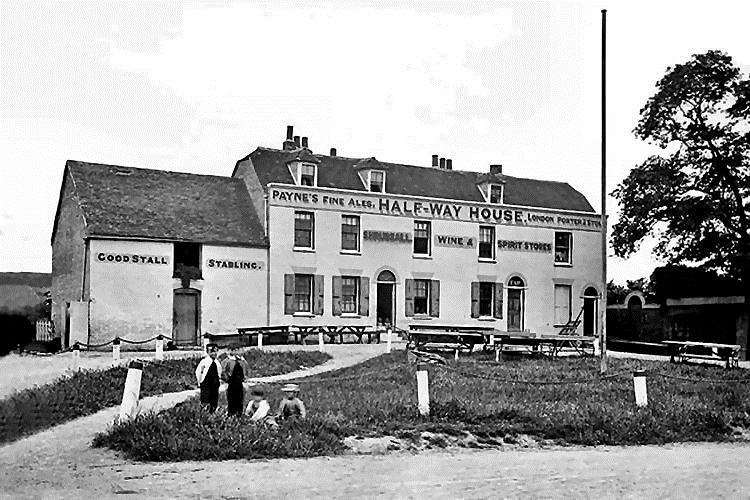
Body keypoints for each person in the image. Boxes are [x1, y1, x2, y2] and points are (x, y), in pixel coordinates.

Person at [221, 346, 250, 416]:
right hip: (231, 382)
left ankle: (239, 412)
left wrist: (245, 377)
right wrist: (227, 379)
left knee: (240, 397)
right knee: (231, 398)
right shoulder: (227, 361)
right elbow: (223, 371)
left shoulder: (242, 361)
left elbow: (246, 369)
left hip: (240, 382)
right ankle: (231, 412)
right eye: (238, 350)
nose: (241, 352)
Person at [195, 343, 222, 413]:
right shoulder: (204, 362)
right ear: (207, 352)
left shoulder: (217, 363)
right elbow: (198, 372)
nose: (214, 353)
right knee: (205, 399)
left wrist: (219, 380)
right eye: (212, 351)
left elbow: (219, 372)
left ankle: (213, 412)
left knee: (214, 399)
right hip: (206, 384)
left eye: (216, 351)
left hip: (215, 384)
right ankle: (204, 413)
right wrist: (200, 382)